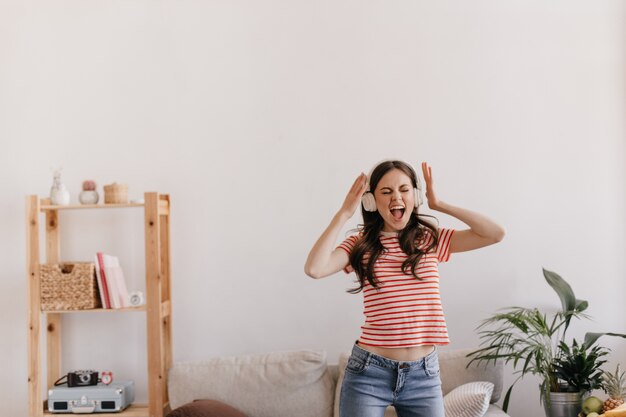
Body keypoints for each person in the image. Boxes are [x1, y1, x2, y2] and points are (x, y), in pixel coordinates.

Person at [304, 160, 505, 417]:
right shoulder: (361, 244)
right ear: (371, 201)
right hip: (369, 372)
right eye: (386, 192)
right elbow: (315, 268)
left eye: (404, 189)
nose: (396, 197)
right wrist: (343, 213)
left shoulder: (430, 239)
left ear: (415, 195)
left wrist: (440, 204)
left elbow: (495, 234)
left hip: (423, 375)